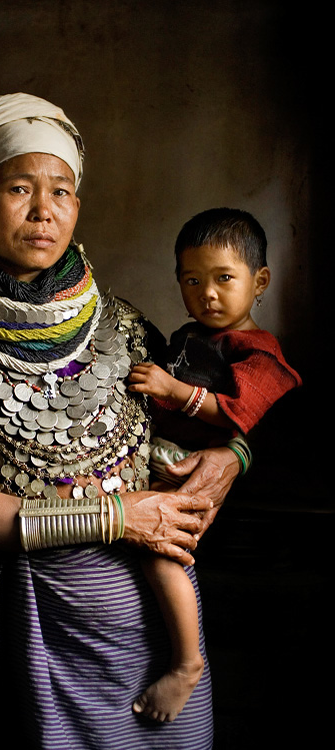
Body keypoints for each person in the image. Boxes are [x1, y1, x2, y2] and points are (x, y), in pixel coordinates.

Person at [0, 94, 244, 750]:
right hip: (48, 633)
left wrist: (235, 458)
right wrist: (118, 517)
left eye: (60, 190)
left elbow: (207, 424)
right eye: (19, 189)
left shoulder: (122, 323)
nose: (43, 210)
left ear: (77, 209)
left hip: (161, 627)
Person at [128, 207, 302, 722]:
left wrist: (171, 389)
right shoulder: (191, 338)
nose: (207, 293)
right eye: (192, 279)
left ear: (259, 280)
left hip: (196, 473)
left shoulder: (261, 355)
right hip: (163, 455)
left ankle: (187, 663)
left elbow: (239, 414)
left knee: (163, 551)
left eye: (224, 278)